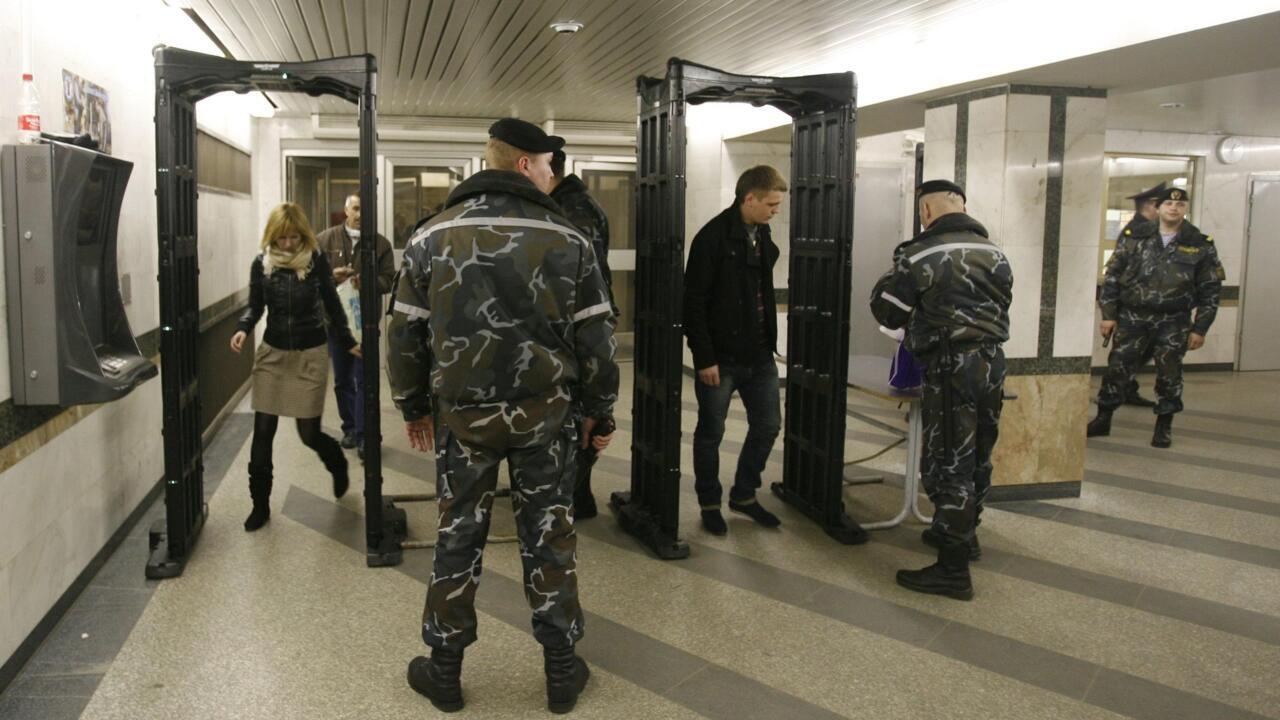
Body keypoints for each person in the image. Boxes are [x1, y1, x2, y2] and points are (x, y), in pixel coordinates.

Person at [387, 117, 618, 714]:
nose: (552, 174)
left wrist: (413, 406)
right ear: (523, 164)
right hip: (547, 417)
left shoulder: (430, 236)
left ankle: (443, 671)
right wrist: (601, 413)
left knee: (458, 533)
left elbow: (403, 334)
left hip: (463, 419)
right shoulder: (570, 239)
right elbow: (597, 338)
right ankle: (562, 672)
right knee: (550, 535)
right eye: (546, 164)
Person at [870, 179, 1013, 601]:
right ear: (962, 205)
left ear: (926, 212)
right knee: (978, 457)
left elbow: (887, 309)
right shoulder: (998, 254)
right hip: (991, 364)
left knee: (948, 460)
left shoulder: (919, 254)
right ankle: (965, 536)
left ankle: (952, 570)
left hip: (950, 366)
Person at [230, 203, 360, 531]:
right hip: (273, 355)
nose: (289, 244)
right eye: (283, 238)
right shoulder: (262, 265)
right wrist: (243, 328)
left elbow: (332, 304)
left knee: (309, 433)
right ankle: (260, 505)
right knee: (262, 432)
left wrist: (347, 341)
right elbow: (255, 306)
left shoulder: (315, 261)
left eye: (294, 237)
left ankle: (337, 463)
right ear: (273, 236)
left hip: (309, 353)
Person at [684, 165, 788, 536]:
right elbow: (693, 302)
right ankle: (709, 502)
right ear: (749, 199)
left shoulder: (762, 234)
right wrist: (704, 357)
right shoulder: (711, 238)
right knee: (711, 432)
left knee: (768, 426)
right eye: (771, 204)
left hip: (759, 356)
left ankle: (744, 495)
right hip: (721, 360)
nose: (776, 210)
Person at [1087, 186, 1224, 448]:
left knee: (1169, 372)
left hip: (1174, 320)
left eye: (1180, 205)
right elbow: (1113, 277)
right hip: (1133, 317)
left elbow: (1210, 290)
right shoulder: (1134, 237)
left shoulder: (1199, 244)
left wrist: (1200, 328)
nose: (1174, 208)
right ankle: (1103, 418)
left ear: (1185, 209)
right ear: (1159, 208)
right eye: (1168, 205)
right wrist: (1108, 315)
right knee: (1118, 367)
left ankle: (1164, 425)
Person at [548, 148, 615, 519]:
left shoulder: (572, 210)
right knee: (580, 413)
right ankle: (575, 492)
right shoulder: (575, 203)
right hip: (584, 324)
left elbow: (582, 280)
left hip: (582, 328)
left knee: (582, 414)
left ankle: (576, 496)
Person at [315, 194, 395, 454]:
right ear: (346, 210)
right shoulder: (324, 240)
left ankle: (364, 435)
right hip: (336, 325)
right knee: (342, 380)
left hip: (366, 325)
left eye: (365, 209)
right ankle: (349, 428)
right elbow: (310, 277)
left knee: (366, 380)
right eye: (356, 209)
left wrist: (367, 282)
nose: (360, 214)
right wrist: (331, 277)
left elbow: (389, 280)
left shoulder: (380, 244)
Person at [1113, 182, 1166, 408]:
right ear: (1152, 206)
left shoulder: (1157, 232)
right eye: (1162, 204)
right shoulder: (1135, 233)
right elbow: (1119, 272)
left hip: (1151, 308)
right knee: (1128, 354)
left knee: (1140, 352)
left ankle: (1126, 388)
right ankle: (1118, 392)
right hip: (1134, 308)